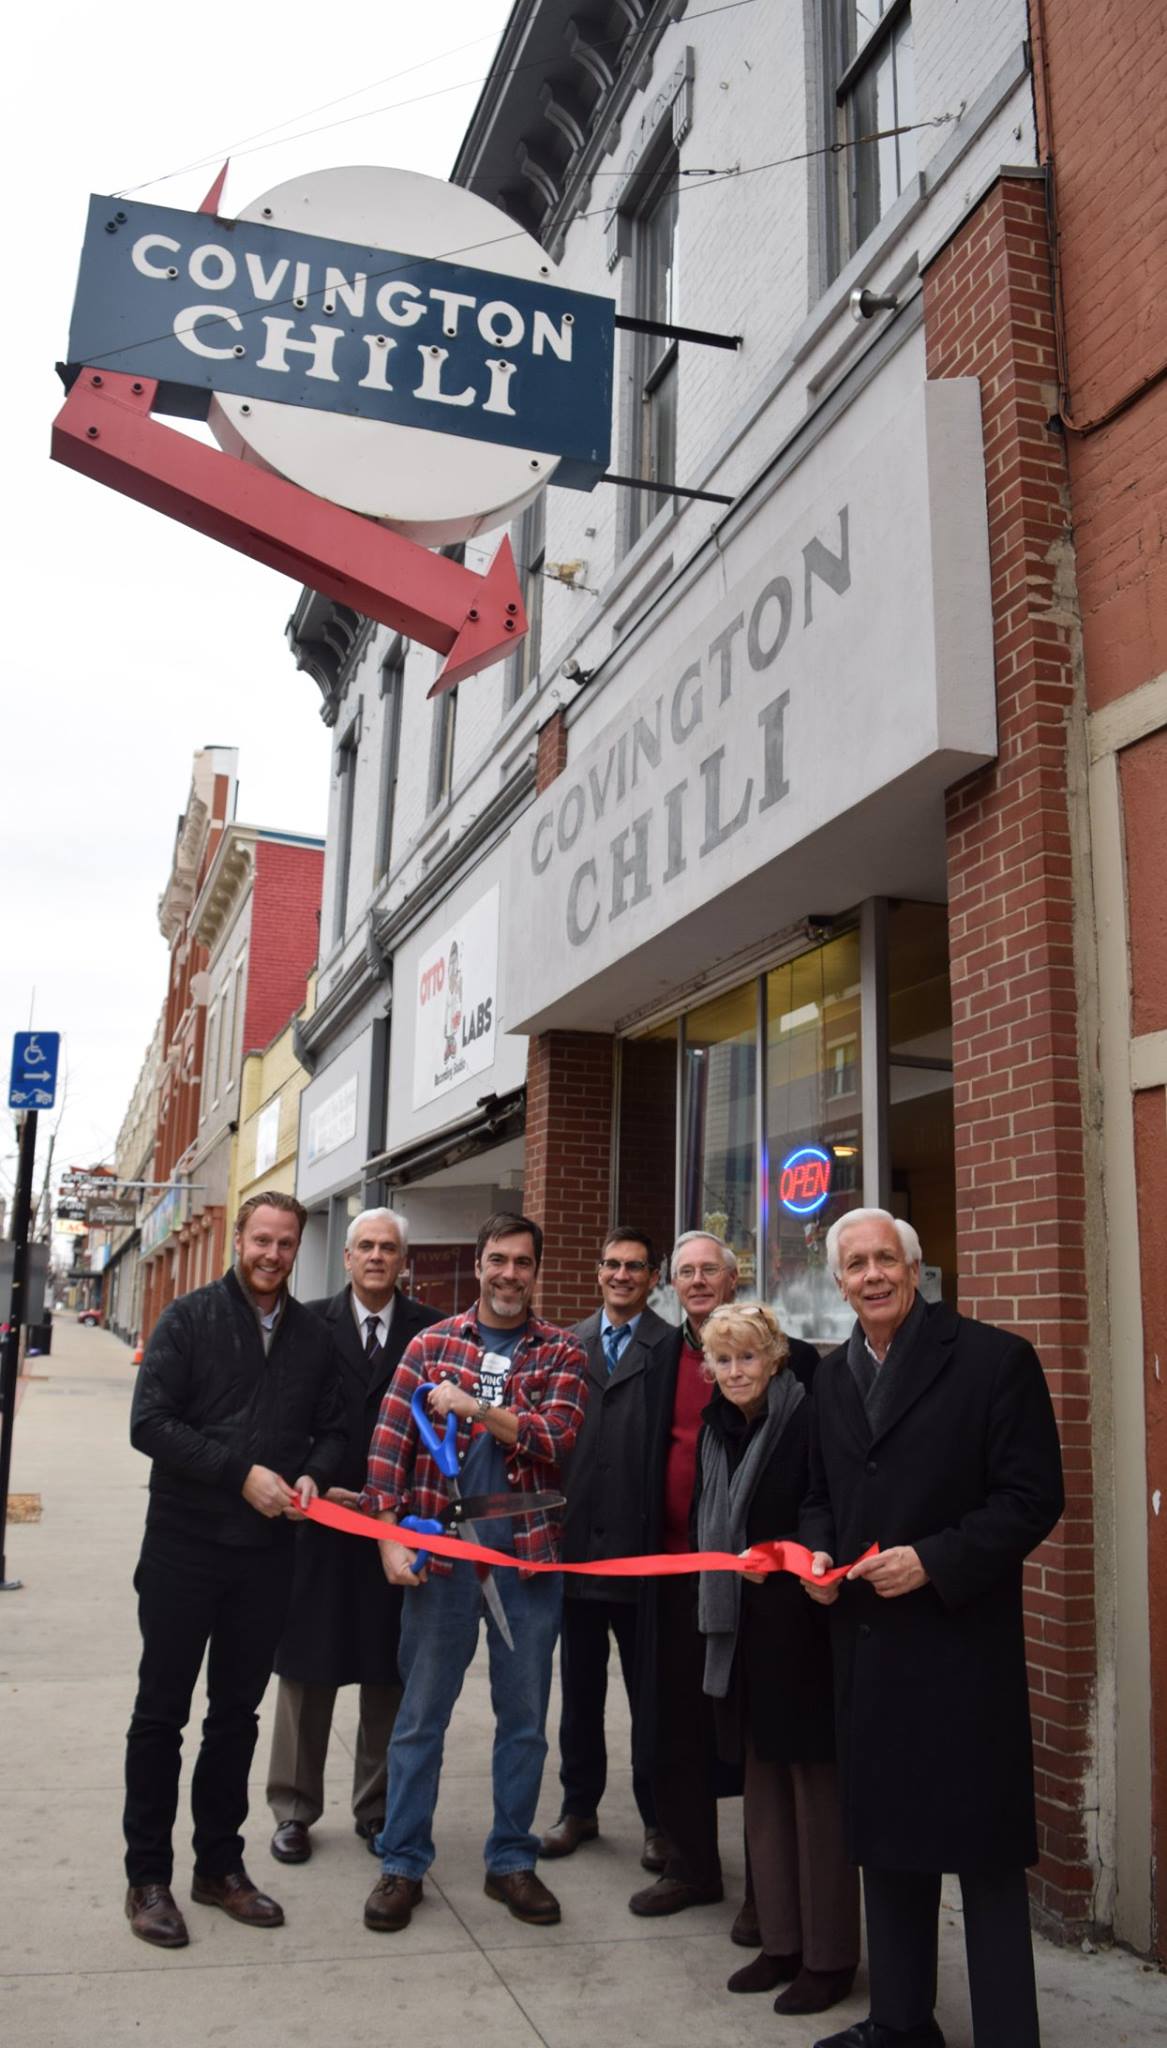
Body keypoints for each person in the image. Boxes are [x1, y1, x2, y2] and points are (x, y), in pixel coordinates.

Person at [800, 1208, 1064, 2048]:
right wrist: (813, 1556)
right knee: (888, 1846)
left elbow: (1031, 1498)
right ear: (837, 1281)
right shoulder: (831, 1379)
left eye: (885, 1260)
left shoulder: (993, 1360)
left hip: (959, 1652)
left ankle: (1007, 2036)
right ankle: (900, 2023)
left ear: (915, 1270)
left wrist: (934, 1561)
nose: (870, 1276)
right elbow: (817, 1493)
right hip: (868, 1652)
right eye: (854, 1265)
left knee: (982, 1861)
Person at [122, 1192, 346, 1949]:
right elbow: (149, 1423)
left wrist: (314, 1474)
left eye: (286, 1243)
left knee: (235, 1719)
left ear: (298, 1248)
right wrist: (237, 1473)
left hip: (266, 1557)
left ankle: (218, 1866)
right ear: (237, 1240)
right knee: (161, 1716)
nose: (272, 1255)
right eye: (261, 1240)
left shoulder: (314, 1335)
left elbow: (337, 1426)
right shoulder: (188, 1318)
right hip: (184, 1549)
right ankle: (147, 1876)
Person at [359, 1212, 588, 1933]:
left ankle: (511, 1862)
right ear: (479, 1264)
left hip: (526, 1564)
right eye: (497, 1260)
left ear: (535, 1270)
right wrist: (388, 1541)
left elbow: (556, 1437)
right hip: (441, 1560)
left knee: (522, 1722)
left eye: (522, 1262)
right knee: (420, 1717)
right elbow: (388, 1449)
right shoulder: (430, 1345)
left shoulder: (561, 1354)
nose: (508, 1274)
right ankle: (401, 1864)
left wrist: (475, 1407)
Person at [631, 1230, 821, 1922]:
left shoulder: (788, 1358)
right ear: (671, 1283)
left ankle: (763, 1891)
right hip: (678, 1571)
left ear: (732, 1277)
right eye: (685, 1271)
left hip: (763, 1584)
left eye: (710, 1269)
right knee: (676, 1728)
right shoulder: (656, 1356)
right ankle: (690, 1868)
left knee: (755, 1738)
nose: (698, 1280)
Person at [695, 1303, 859, 2017]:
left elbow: (827, 1503)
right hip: (742, 1634)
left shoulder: (804, 1415)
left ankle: (827, 1959)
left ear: (775, 1359)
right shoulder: (716, 1425)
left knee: (814, 1799)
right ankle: (780, 1942)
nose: (735, 1371)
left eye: (747, 1358)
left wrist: (791, 1551)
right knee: (762, 1792)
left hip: (800, 1629)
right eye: (722, 1360)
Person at [266, 1207, 442, 1866]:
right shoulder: (305, 1324)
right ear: (346, 1257)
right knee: (305, 1673)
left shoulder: (432, 1331)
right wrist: (309, 1478)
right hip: (319, 1523)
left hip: (396, 1531)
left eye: (388, 1247)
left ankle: (376, 1809)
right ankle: (292, 1808)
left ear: (403, 1261)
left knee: (386, 1671)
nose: (375, 1256)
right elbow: (280, 1418)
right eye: (364, 1246)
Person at [539, 1227, 673, 1872]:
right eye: (613, 1265)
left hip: (641, 1557)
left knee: (650, 1700)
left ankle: (658, 1820)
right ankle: (578, 1809)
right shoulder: (566, 1345)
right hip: (576, 1554)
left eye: (636, 1267)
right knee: (580, 1693)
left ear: (654, 1278)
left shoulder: (672, 1348)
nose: (622, 1276)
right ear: (598, 1273)